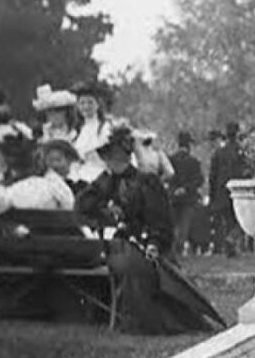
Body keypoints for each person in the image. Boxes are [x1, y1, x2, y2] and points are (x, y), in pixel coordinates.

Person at [75, 124, 224, 334]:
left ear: (128, 156)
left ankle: (143, 322)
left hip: (149, 244)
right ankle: (129, 319)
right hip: (119, 244)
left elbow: (160, 220)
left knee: (141, 269)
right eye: (108, 156)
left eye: (117, 156)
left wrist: (154, 242)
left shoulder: (147, 181)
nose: (112, 161)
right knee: (126, 263)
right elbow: (83, 205)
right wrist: (107, 211)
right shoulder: (105, 182)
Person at [0, 134, 77, 214]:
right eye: (50, 160)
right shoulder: (34, 185)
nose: (54, 164)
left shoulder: (66, 184)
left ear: (71, 161)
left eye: (58, 160)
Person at [207, 121, 247, 257]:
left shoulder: (219, 153)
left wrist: (212, 195)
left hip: (221, 192)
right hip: (239, 191)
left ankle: (230, 248)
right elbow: (247, 172)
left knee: (228, 221)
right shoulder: (242, 152)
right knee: (241, 221)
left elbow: (212, 176)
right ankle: (231, 242)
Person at [166, 131, 206, 260]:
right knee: (184, 226)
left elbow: (166, 177)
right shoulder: (193, 162)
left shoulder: (169, 160)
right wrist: (186, 188)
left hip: (171, 198)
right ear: (189, 145)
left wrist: (174, 189)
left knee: (172, 225)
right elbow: (199, 180)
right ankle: (179, 251)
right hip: (188, 199)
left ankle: (172, 251)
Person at [70, 81, 116, 184]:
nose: (86, 107)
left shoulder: (104, 128)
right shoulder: (77, 131)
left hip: (100, 175)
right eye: (82, 103)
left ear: (98, 105)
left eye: (90, 102)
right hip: (79, 175)